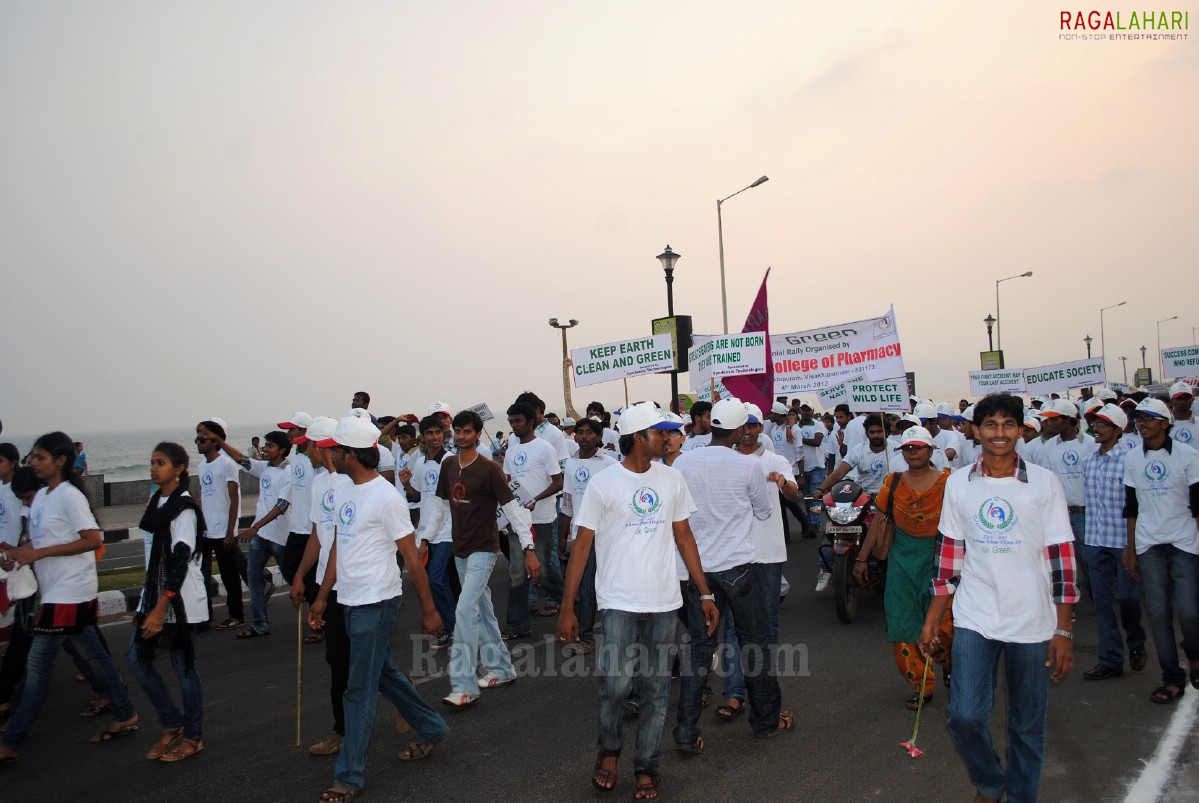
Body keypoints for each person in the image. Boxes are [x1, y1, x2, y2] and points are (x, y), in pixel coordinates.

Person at [918, 394, 1077, 803]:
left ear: (1022, 430)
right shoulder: (958, 484)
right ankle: (990, 783)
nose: (1000, 433)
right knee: (964, 715)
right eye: (990, 424)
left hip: (1034, 621)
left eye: (1009, 424)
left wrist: (1063, 627)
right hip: (976, 616)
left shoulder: (1044, 483)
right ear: (976, 430)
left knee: (1026, 725)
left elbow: (1062, 557)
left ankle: (1022, 796)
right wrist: (933, 618)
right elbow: (949, 556)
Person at [557, 401, 718, 798]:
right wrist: (568, 608)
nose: (669, 438)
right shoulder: (603, 484)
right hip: (618, 602)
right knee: (615, 685)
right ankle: (609, 751)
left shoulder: (672, 479)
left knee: (656, 689)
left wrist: (705, 592)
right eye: (660, 432)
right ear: (637, 438)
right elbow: (581, 548)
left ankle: (647, 764)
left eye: (669, 432)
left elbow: (684, 537)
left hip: (664, 602)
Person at [308, 414, 448, 802]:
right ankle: (432, 727)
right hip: (349, 598)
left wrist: (429, 609)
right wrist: (323, 594)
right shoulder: (346, 489)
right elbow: (339, 543)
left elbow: (411, 557)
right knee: (382, 673)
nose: (330, 454)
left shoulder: (387, 497)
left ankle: (348, 776)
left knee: (359, 687)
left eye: (335, 449)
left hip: (377, 601)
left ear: (350, 454)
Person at [0, 432, 139, 762]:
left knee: (37, 667)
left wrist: (40, 552)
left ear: (60, 461)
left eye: (39, 457)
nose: (32, 462)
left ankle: (12, 740)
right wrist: (21, 552)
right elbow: (46, 539)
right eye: (31, 457)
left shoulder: (68, 496)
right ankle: (125, 711)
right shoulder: (45, 496)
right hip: (53, 591)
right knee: (94, 655)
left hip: (70, 592)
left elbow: (92, 539)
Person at [673, 398, 793, 749]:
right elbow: (763, 510)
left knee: (699, 650)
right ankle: (766, 720)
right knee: (753, 644)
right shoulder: (748, 466)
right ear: (740, 431)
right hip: (738, 570)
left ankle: (685, 732)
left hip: (697, 573)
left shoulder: (684, 463)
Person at [418, 409, 540, 707]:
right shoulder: (448, 466)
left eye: (467, 431)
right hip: (460, 550)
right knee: (482, 611)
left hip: (484, 550)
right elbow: (439, 507)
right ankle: (502, 669)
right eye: (457, 431)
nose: (461, 436)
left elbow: (513, 510)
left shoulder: (489, 468)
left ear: (476, 433)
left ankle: (464, 686)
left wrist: (528, 548)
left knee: (464, 611)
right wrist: (423, 539)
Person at [855, 426, 953, 709]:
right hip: (900, 561)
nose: (912, 452)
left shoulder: (949, 483)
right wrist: (862, 558)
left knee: (945, 626)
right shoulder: (893, 482)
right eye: (907, 448)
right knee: (902, 623)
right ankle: (922, 685)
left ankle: (948, 666)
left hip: (939, 560)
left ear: (931, 450)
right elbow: (878, 521)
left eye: (918, 447)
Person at [126, 442, 208, 763]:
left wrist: (162, 607)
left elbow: (181, 557)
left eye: (160, 463)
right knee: (136, 658)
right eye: (152, 462)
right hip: (153, 594)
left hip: (178, 599)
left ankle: (193, 735)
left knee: (184, 667)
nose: (153, 467)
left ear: (179, 469)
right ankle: (172, 722)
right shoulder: (157, 500)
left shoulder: (184, 508)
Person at [716, 403, 798, 721]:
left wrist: (782, 483)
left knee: (767, 625)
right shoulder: (727, 460)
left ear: (760, 428)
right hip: (735, 554)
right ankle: (735, 693)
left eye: (753, 425)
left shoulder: (774, 459)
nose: (748, 431)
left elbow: (793, 493)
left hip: (769, 553)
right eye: (743, 425)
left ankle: (762, 689)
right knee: (735, 626)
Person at [1121, 397, 1199, 704]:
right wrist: (1130, 549)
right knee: (1157, 615)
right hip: (1149, 544)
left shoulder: (1188, 456)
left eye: (1149, 419)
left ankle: (1195, 655)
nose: (1142, 424)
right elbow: (1131, 507)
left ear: (1165, 423)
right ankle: (1172, 678)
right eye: (1139, 419)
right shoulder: (1132, 459)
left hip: (1184, 543)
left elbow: (1197, 504)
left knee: (1190, 612)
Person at [1080, 404, 1146, 680]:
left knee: (1128, 598)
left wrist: (1134, 545)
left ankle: (1136, 641)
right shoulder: (1089, 462)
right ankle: (1110, 659)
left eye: (1104, 424)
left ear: (1119, 430)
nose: (1097, 428)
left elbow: (1137, 505)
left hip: (1123, 541)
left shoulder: (1131, 460)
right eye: (1096, 424)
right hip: (1095, 541)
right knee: (1103, 604)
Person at [207, 428, 294, 639]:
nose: (265, 448)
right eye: (265, 445)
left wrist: (256, 526)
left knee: (295, 579)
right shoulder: (265, 468)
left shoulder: (288, 473)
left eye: (270, 445)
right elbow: (241, 459)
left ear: (282, 450)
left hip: (280, 538)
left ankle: (320, 615)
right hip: (261, 537)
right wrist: (220, 441)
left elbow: (281, 505)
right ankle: (260, 624)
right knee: (253, 578)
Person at [557, 417, 618, 653]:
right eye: (580, 432)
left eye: (589, 432)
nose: (583, 436)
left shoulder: (610, 464)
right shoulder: (571, 464)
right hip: (578, 534)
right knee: (582, 583)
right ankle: (582, 629)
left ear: (599, 437)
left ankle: (585, 635)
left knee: (587, 585)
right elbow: (568, 503)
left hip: (601, 533)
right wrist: (563, 537)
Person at [502, 401, 564, 636]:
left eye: (518, 421)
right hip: (519, 522)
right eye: (511, 422)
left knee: (545, 573)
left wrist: (536, 498)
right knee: (517, 572)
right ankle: (517, 625)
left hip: (543, 518)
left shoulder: (545, 448)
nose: (514, 426)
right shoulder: (511, 451)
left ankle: (571, 604)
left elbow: (559, 482)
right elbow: (508, 482)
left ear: (531, 422)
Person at [407, 415, 456, 650]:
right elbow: (417, 496)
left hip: (446, 530)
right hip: (425, 530)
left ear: (444, 434)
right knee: (433, 580)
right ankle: (445, 625)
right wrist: (406, 484)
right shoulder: (419, 463)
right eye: (430, 433)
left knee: (436, 579)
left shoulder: (451, 461)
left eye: (438, 432)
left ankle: (452, 627)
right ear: (422, 437)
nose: (435, 437)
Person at [194, 419, 246, 630]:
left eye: (202, 438)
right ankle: (204, 616)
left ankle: (236, 614)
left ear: (215, 441)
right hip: (205, 531)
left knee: (229, 575)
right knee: (201, 575)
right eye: (196, 437)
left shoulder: (227, 465)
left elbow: (234, 499)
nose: (198, 441)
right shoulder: (201, 466)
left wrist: (229, 531)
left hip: (223, 531)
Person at [1169, 382, 1198, 447]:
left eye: (1187, 398)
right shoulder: (1162, 425)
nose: (1183, 401)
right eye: (1179, 398)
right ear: (1171, 402)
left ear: (1192, 399)